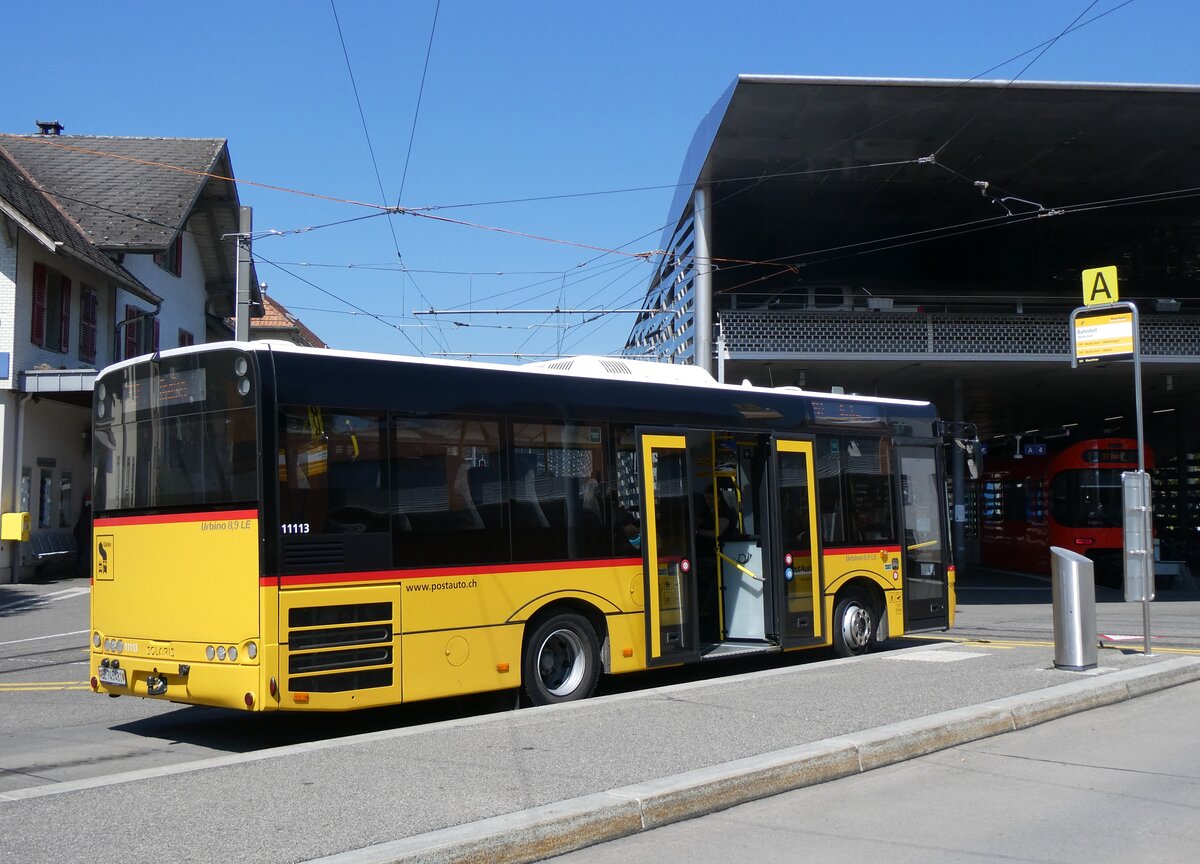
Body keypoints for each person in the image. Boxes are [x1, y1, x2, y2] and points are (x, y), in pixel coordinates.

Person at [73, 495, 92, 579]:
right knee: (86, 552)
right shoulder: (91, 510)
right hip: (83, 533)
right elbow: (89, 524)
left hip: (79, 532)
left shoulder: (88, 508)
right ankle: (81, 571)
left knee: (82, 551)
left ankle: (80, 570)